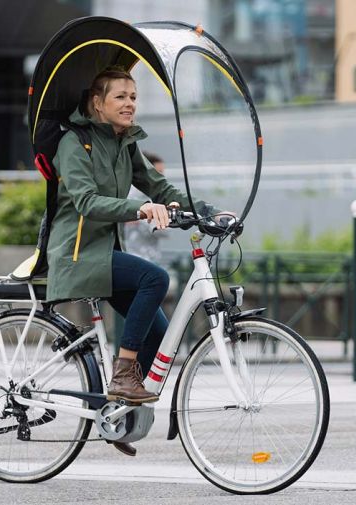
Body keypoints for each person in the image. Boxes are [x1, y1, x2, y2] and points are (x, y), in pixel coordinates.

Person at [48, 67, 215, 456]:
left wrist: (207, 210)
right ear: (97, 102)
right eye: (120, 96)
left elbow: (160, 186)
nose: (130, 104)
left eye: (134, 97)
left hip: (105, 253)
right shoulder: (74, 143)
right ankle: (123, 376)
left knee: (158, 340)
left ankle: (117, 415)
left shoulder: (124, 143)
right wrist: (141, 209)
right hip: (75, 253)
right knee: (153, 279)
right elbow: (87, 201)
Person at [124, 152, 167, 263]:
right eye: (159, 172)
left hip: (151, 257)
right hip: (130, 256)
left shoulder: (157, 196)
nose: (162, 177)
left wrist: (140, 219)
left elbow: (164, 229)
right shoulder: (127, 194)